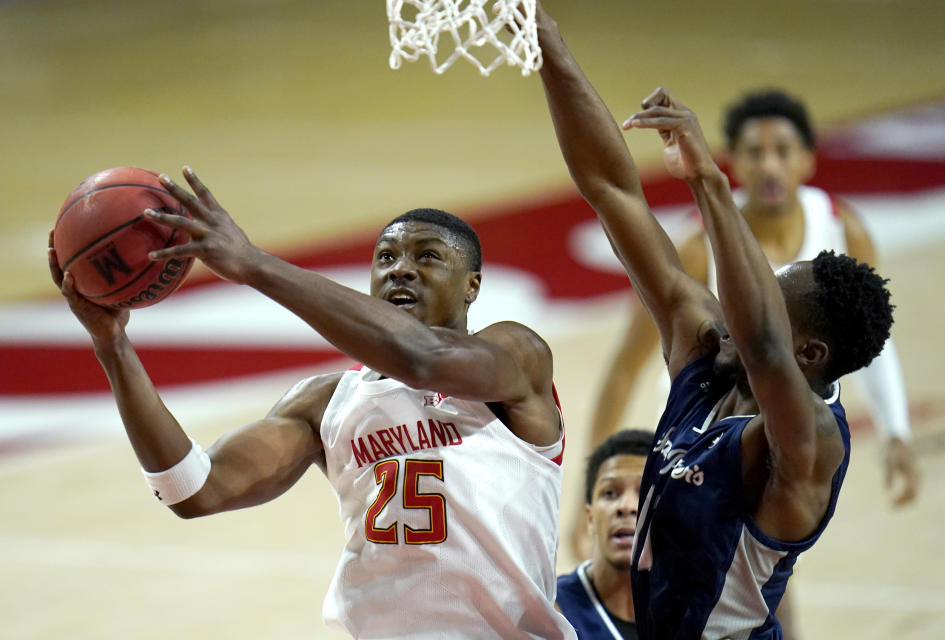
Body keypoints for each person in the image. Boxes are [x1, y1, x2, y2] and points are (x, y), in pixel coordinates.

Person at [48, 169, 576, 640]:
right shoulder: (326, 403)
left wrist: (254, 264)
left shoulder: (516, 357)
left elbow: (424, 358)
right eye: (386, 258)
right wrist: (112, 346)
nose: (401, 270)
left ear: (472, 286)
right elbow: (192, 490)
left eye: (428, 257)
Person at [535, 7, 894, 637]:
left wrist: (710, 181)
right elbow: (611, 190)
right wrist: (550, 47)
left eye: (772, 294)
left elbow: (763, 345)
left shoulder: (810, 439)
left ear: (808, 352)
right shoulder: (707, 351)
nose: (740, 297)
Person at [588, 89, 919, 508]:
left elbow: (873, 340)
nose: (769, 167)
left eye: (782, 151)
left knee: (766, 565)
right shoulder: (695, 246)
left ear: (808, 158)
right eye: (754, 153)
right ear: (734, 161)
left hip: (789, 432)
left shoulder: (841, 228)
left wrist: (896, 430)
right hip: (702, 430)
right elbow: (626, 364)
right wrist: (596, 469)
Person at [557, 429, 653, 640]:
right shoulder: (551, 610)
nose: (627, 507)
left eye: (645, 492)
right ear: (590, 518)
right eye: (610, 493)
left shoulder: (697, 611)